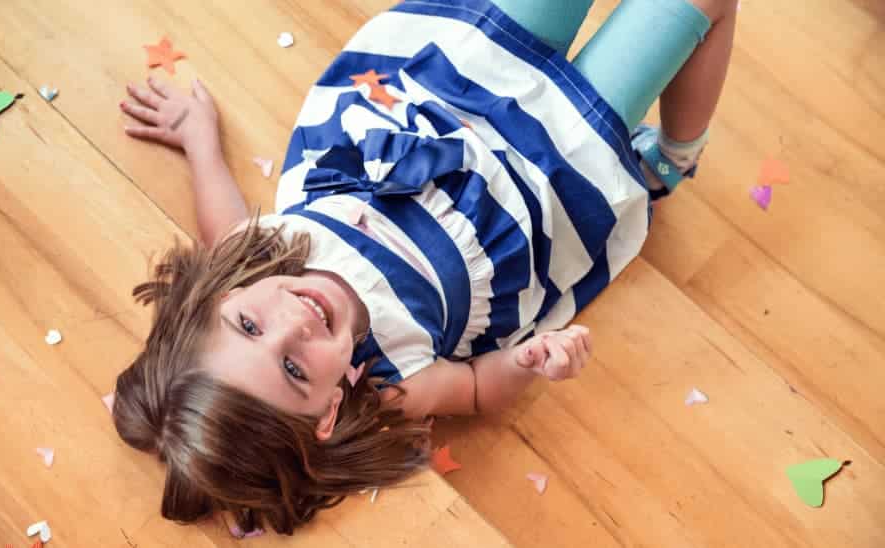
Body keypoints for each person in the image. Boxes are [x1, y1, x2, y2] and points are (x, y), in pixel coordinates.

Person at [112, 0, 735, 536]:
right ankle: (672, 158)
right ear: (329, 411)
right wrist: (525, 362)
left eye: (250, 325)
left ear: (223, 295)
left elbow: (219, 218)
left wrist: (198, 137)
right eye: (294, 368)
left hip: (454, 93)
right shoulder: (393, 385)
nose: (293, 323)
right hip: (546, 175)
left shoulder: (251, 253)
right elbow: (473, 390)